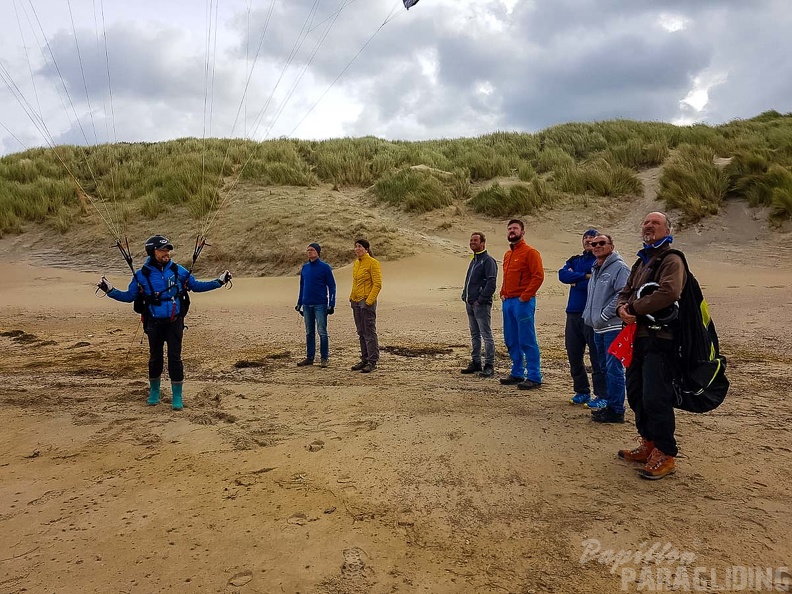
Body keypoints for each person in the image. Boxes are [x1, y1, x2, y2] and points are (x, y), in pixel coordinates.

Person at [96, 235, 231, 410]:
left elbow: (196, 286)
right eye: (162, 250)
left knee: (175, 358)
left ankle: (177, 396)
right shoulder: (142, 275)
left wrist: (219, 281)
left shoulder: (178, 270)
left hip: (174, 321)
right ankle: (154, 392)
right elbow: (129, 297)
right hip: (153, 322)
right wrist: (110, 290)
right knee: (155, 358)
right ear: (152, 252)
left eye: (168, 250)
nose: (167, 253)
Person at [616, 212, 686, 480]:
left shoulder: (672, 259)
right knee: (635, 392)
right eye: (645, 222)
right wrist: (622, 307)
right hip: (637, 338)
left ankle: (666, 454)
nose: (649, 226)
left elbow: (669, 292)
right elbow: (626, 291)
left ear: (667, 229)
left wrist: (633, 307)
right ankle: (649, 443)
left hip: (661, 338)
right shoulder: (641, 261)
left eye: (655, 223)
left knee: (656, 397)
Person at [582, 234, 630, 422]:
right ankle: (610, 405)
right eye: (594, 244)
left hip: (612, 327)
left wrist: (604, 315)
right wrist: (592, 317)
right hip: (597, 328)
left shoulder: (619, 267)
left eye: (602, 243)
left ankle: (617, 410)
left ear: (611, 245)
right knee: (603, 367)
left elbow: (622, 293)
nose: (597, 246)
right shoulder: (596, 268)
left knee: (613, 368)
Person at [558, 228, 607, 405]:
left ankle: (602, 395)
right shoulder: (575, 260)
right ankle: (582, 391)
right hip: (573, 313)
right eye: (585, 238)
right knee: (574, 354)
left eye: (592, 238)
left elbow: (597, 280)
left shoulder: (601, 261)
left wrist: (577, 279)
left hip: (592, 315)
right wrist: (584, 276)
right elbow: (563, 275)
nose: (588, 241)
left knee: (597, 357)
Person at [498, 219, 544, 390]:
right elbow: (506, 276)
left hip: (522, 302)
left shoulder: (530, 252)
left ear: (522, 232)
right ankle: (517, 371)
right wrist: (502, 292)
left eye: (515, 228)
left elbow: (538, 276)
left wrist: (525, 296)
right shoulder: (508, 254)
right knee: (511, 338)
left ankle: (534, 376)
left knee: (527, 339)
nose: (512, 231)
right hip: (508, 301)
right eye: (509, 228)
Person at [461, 232, 498, 378]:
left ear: (483, 243)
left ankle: (489, 365)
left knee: (486, 335)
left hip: (480, 304)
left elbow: (491, 282)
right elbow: (469, 280)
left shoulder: (488, 260)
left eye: (475, 240)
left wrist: (481, 299)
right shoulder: (474, 260)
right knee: (474, 334)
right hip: (470, 303)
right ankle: (476, 362)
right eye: (471, 240)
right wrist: (465, 295)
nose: (472, 242)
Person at [295, 242, 337, 368]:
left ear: (318, 252)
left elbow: (332, 286)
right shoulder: (305, 268)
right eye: (308, 250)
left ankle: (324, 358)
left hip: (320, 304)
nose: (309, 252)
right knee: (309, 332)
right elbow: (302, 286)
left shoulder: (325, 267)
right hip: (307, 303)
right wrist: (299, 303)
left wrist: (331, 304)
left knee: (322, 332)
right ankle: (310, 357)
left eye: (312, 250)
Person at [349, 238, 382, 373]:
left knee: (369, 331)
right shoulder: (357, 263)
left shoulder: (373, 263)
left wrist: (368, 301)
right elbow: (356, 282)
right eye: (356, 246)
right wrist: (352, 297)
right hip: (356, 301)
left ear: (366, 249)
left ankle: (372, 361)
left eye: (360, 247)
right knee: (361, 331)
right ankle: (364, 358)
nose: (357, 249)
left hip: (366, 301)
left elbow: (377, 284)